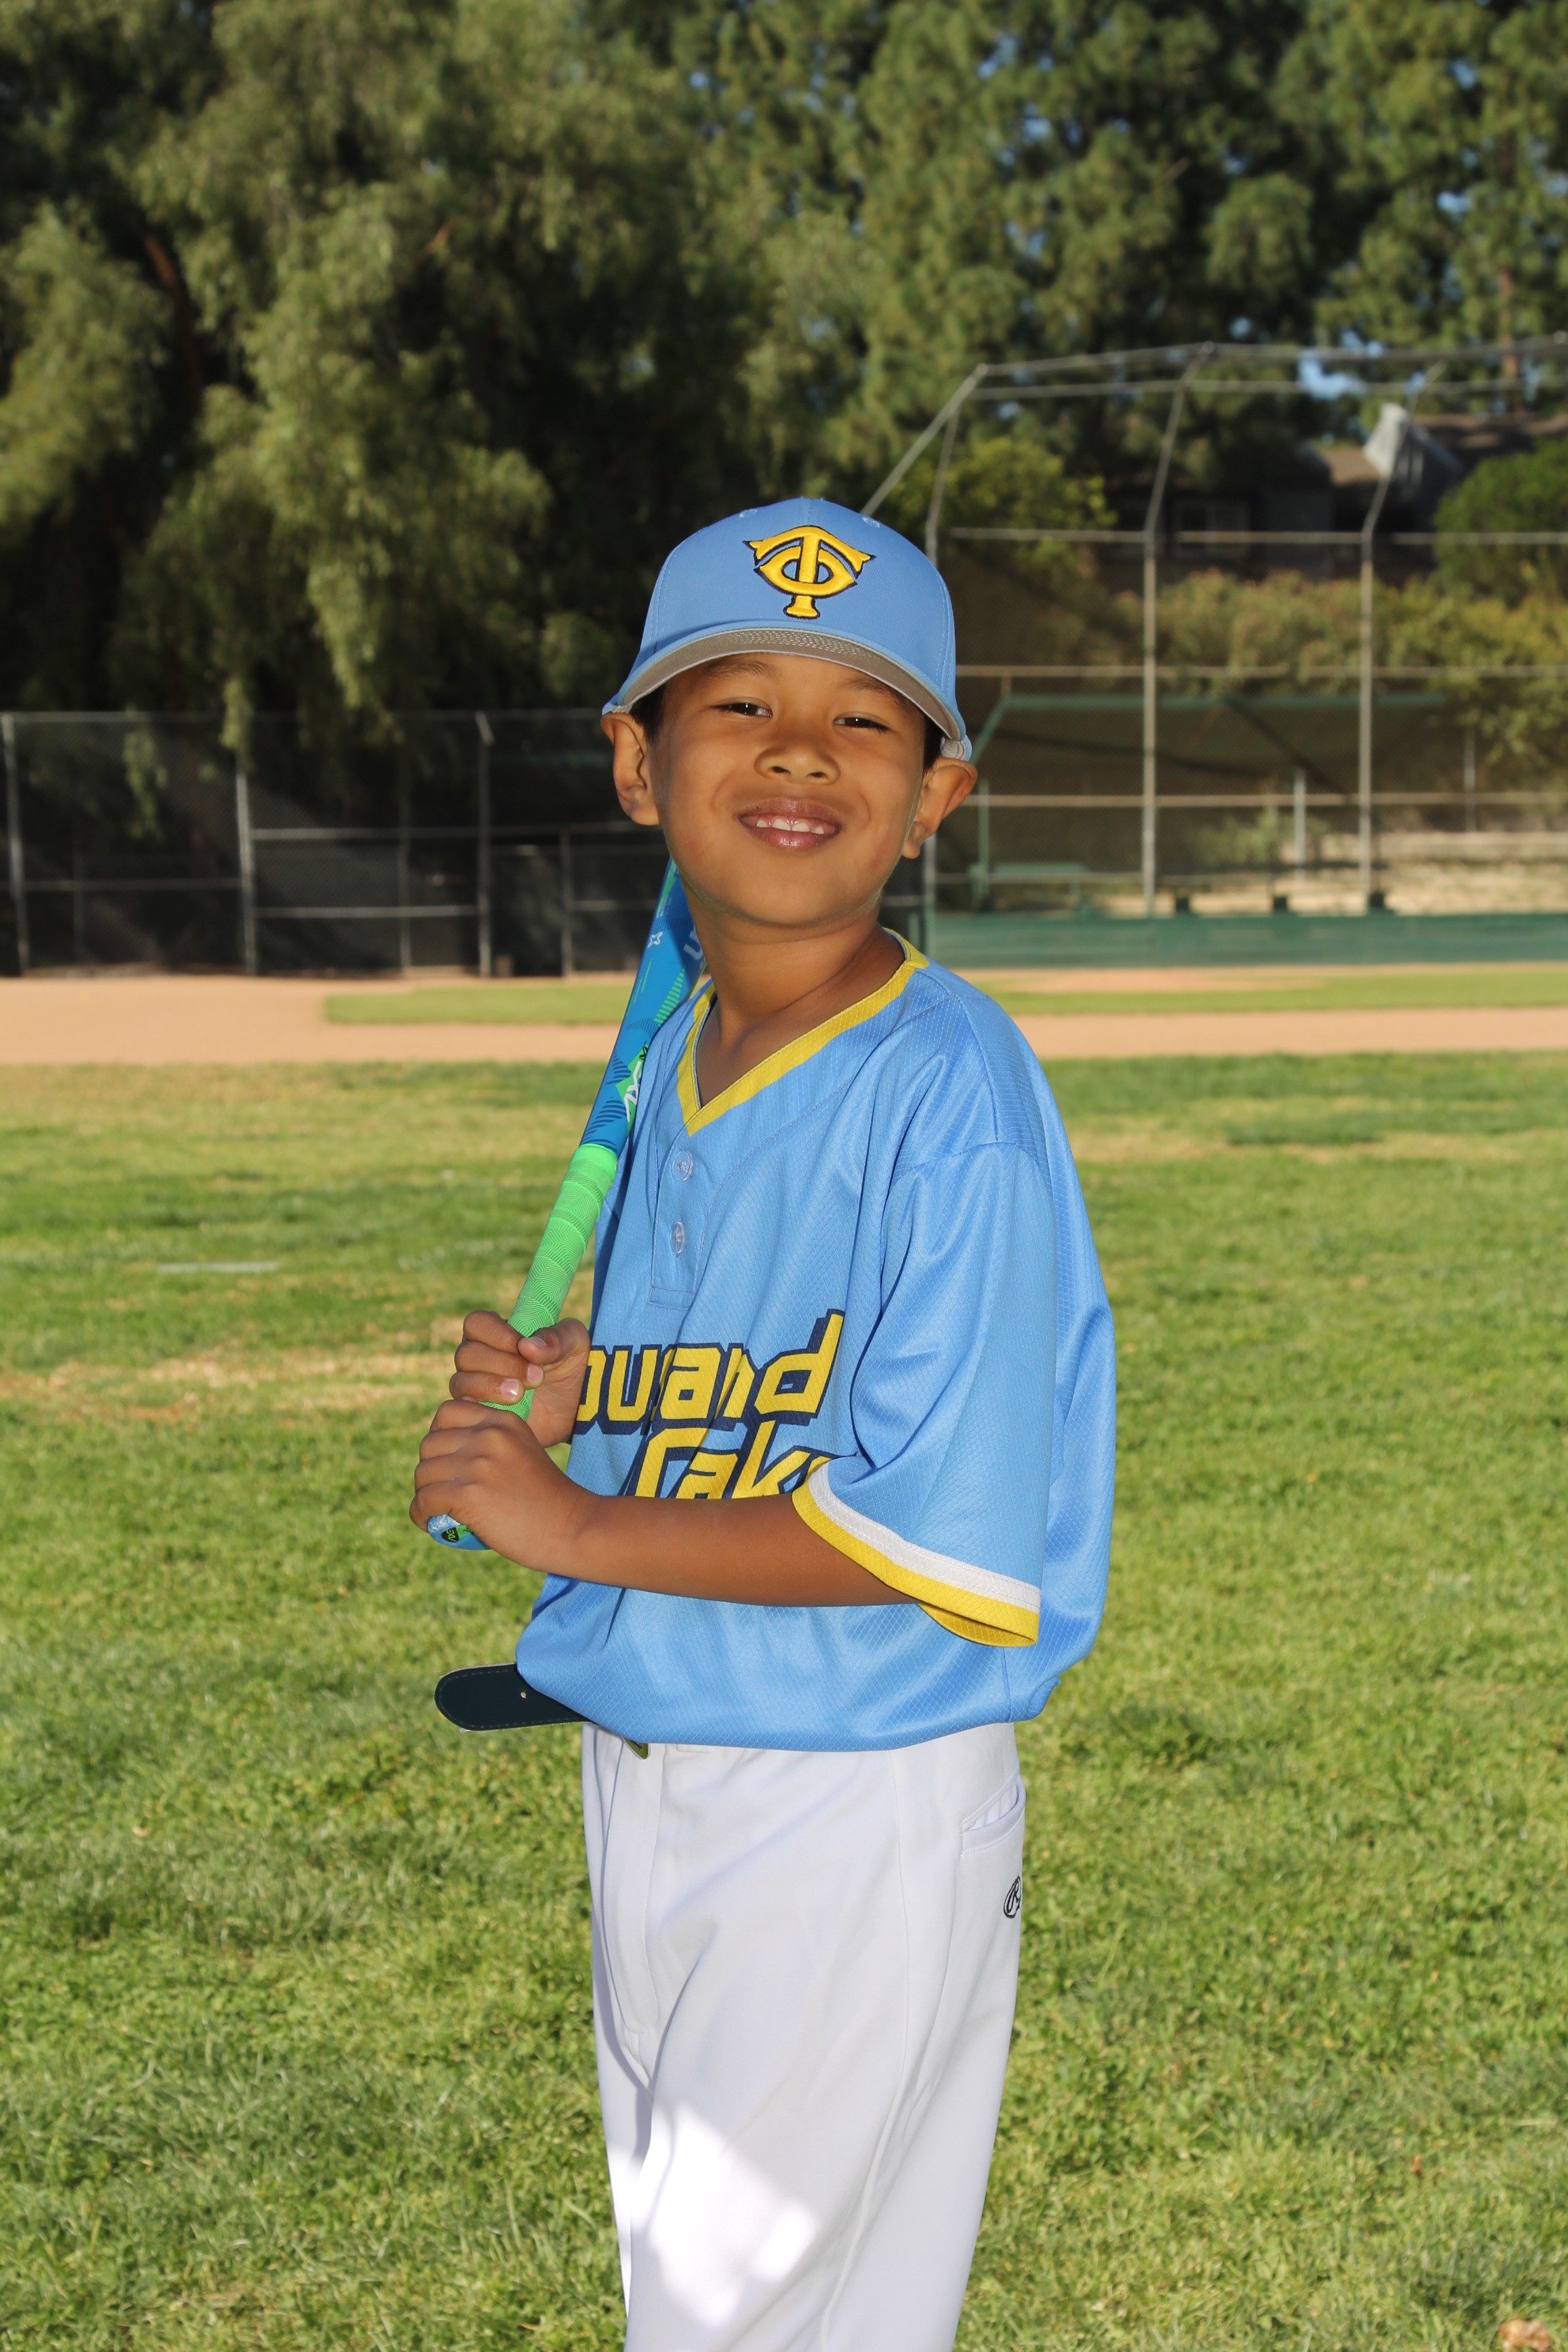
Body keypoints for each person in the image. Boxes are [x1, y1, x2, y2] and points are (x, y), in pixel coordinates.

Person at [412, 498, 1115, 2352]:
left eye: (865, 720)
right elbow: (759, 1377)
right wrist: (591, 1391)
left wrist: (569, 1525)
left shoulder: (950, 1089)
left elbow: (931, 1532)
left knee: (726, 2325)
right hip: (656, 1758)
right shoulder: (686, 1052)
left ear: (935, 796)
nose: (800, 752)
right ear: (639, 766)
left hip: (844, 1795)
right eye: (739, 706)